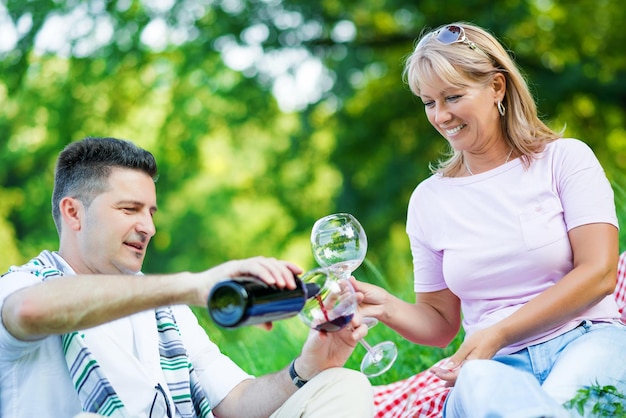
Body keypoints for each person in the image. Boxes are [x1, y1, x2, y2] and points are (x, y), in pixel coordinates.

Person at [354, 22, 626, 417]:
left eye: (453, 96)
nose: (441, 115)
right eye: (429, 102)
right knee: (478, 384)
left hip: (585, 340)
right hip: (495, 367)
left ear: (497, 87)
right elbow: (441, 322)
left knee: (569, 402)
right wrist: (385, 307)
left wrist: (498, 333)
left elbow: (600, 273)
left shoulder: (564, 160)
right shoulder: (429, 200)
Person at [0, 136, 374, 418]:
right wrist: (193, 285)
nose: (148, 227)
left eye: (151, 211)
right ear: (73, 213)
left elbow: (235, 402)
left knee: (342, 384)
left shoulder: (166, 311)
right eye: (129, 209)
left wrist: (306, 368)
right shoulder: (21, 285)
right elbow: (30, 310)